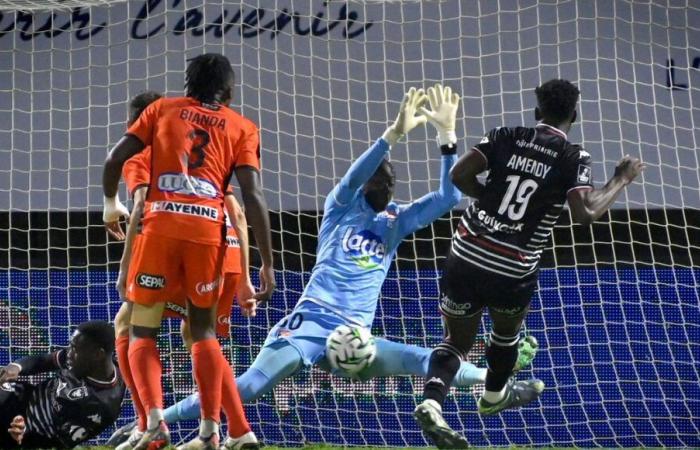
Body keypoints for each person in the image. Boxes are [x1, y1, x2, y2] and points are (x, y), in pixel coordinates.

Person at [152, 85, 533, 426]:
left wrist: (446, 135)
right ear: (366, 183)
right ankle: (156, 421)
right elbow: (352, 178)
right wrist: (392, 135)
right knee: (250, 386)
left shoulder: (396, 220)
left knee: (425, 359)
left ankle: (495, 377)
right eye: (379, 179)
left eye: (391, 181)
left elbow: (450, 196)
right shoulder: (340, 209)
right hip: (308, 325)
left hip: (355, 337)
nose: (387, 185)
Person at [413, 79, 645, 449]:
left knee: (456, 342)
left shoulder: (505, 135)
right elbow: (584, 213)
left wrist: (487, 194)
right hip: (512, 266)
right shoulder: (574, 157)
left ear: (537, 113)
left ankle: (431, 401)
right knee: (505, 335)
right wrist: (620, 178)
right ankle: (492, 398)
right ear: (575, 115)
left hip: (467, 250)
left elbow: (459, 175)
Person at [102, 53, 275, 450]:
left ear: (186, 85)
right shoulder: (242, 126)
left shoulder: (161, 111)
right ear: (228, 91)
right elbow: (250, 197)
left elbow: (116, 159)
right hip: (211, 237)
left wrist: (110, 203)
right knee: (201, 331)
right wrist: (265, 264)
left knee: (138, 326)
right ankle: (216, 431)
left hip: (161, 231)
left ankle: (153, 421)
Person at [0, 321, 125, 449]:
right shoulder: (81, 358)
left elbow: (59, 442)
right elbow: (44, 361)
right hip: (21, 396)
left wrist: (24, 432)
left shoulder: (102, 407)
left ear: (98, 354)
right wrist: (17, 367)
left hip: (29, 431)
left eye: (74, 349)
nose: (69, 353)